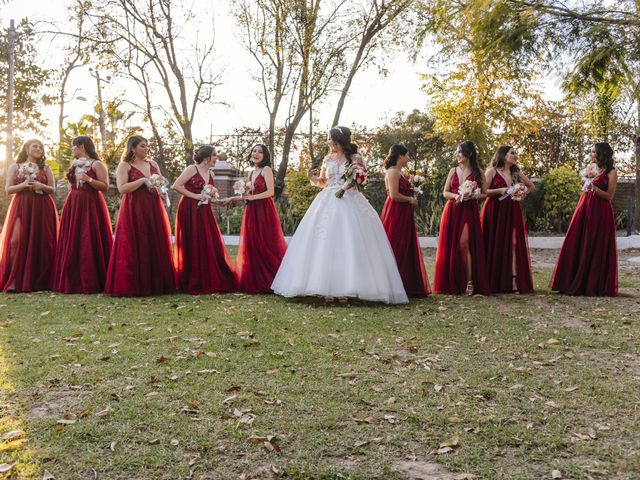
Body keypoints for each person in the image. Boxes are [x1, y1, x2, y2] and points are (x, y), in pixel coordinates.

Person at [271, 126, 408, 304]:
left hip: (350, 199)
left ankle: (347, 288)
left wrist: (345, 187)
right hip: (327, 199)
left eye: (329, 139)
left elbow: (361, 179)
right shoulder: (327, 158)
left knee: (349, 242)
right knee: (325, 243)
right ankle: (325, 289)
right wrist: (312, 179)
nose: (328, 142)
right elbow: (324, 182)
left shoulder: (355, 157)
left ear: (337, 140)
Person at [104, 135, 176, 296]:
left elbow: (160, 184)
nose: (146, 148)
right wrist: (143, 181)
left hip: (153, 206)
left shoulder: (153, 164)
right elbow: (122, 188)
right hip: (133, 207)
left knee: (154, 240)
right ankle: (134, 284)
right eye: (143, 146)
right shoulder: (125, 165)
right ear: (133, 148)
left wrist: (162, 193)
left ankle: (156, 283)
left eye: (146, 145)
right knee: (133, 242)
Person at [551, 142, 618, 296]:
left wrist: (593, 188)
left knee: (595, 243)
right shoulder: (592, 169)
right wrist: (586, 184)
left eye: (594, 152)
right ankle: (570, 280)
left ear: (602, 154)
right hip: (585, 207)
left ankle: (593, 284)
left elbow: (609, 196)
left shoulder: (611, 172)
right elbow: (585, 189)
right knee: (577, 240)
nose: (591, 154)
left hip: (600, 212)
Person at [172, 145, 236, 294]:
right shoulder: (191, 169)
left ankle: (206, 277)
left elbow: (207, 196)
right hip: (188, 209)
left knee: (207, 241)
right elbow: (176, 186)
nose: (216, 158)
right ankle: (191, 279)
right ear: (207, 157)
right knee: (192, 241)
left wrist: (216, 201)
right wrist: (195, 197)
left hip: (204, 211)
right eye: (214, 155)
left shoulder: (211, 174)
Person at [223, 144, 286, 293]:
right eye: (254, 151)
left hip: (264, 210)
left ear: (265, 156)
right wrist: (232, 198)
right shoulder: (251, 173)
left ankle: (273, 279)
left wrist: (252, 197)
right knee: (252, 243)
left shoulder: (266, 170)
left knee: (265, 243)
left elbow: (270, 192)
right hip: (251, 210)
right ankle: (256, 279)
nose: (256, 154)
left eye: (260, 152)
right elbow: (246, 195)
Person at [53, 136, 113, 293]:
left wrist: (89, 179)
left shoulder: (97, 164)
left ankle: (92, 278)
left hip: (91, 203)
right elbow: (71, 184)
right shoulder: (74, 164)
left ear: (82, 146)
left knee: (89, 237)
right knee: (73, 238)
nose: (72, 150)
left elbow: (105, 186)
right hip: (73, 202)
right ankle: (71, 278)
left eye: (74, 147)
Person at [0, 139, 58, 292]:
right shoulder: (15, 166)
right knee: (15, 240)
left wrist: (41, 186)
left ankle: (39, 280)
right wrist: (24, 185)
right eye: (35, 146)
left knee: (42, 242)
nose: (38, 149)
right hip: (21, 205)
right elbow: (9, 189)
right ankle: (13, 279)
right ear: (26, 148)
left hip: (42, 207)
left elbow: (52, 189)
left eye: (40, 147)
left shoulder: (45, 168)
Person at [434, 141, 490, 295]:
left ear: (469, 154)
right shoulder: (452, 170)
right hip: (452, 210)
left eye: (459, 152)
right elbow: (445, 192)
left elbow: (485, 194)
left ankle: (469, 281)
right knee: (451, 247)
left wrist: (474, 195)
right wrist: (456, 196)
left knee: (464, 244)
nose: (457, 155)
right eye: (456, 152)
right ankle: (455, 281)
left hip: (468, 210)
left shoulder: (479, 172)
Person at [480, 146, 535, 294]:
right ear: (503, 155)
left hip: (512, 211)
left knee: (514, 242)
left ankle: (513, 280)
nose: (515, 156)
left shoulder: (516, 172)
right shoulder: (491, 171)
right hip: (494, 210)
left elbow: (531, 186)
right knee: (494, 242)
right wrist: (499, 190)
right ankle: (494, 280)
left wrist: (521, 194)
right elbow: (483, 192)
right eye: (512, 153)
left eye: (515, 153)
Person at [380, 144, 430, 297]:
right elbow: (393, 195)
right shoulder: (393, 172)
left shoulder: (399, 172)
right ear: (400, 156)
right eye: (407, 155)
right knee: (397, 243)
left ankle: (405, 283)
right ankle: (394, 284)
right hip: (397, 212)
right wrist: (410, 199)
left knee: (405, 244)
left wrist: (412, 191)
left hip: (403, 211)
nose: (409, 159)